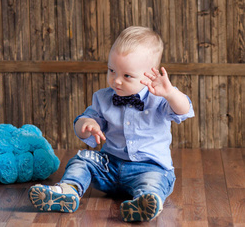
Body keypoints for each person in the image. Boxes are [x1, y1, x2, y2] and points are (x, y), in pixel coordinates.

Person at [28, 26, 195, 222]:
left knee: (154, 182)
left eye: (127, 76)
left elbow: (184, 110)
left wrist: (171, 93)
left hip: (149, 168)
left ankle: (146, 202)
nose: (116, 81)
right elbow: (83, 126)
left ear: (150, 74)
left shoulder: (159, 98)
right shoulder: (103, 98)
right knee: (82, 159)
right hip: (109, 166)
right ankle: (68, 191)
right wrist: (86, 124)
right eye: (111, 70)